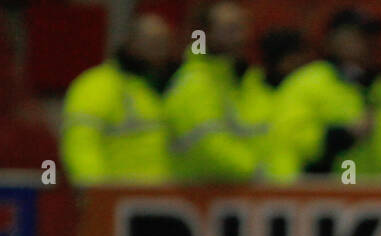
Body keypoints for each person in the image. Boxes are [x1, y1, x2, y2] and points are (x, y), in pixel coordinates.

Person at [272, 8, 381, 178]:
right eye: (357, 36)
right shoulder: (308, 82)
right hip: (326, 187)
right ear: (333, 40)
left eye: (370, 36)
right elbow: (290, 137)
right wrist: (342, 135)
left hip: (379, 188)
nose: (367, 43)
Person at [61, 13, 176, 184]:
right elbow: (81, 146)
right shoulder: (97, 86)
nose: (160, 51)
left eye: (164, 43)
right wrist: (98, 190)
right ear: (130, 42)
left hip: (164, 193)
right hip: (119, 194)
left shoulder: (164, 88)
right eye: (153, 43)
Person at [164, 1, 271, 182]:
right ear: (205, 34)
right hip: (205, 193)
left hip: (248, 193)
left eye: (242, 27)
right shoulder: (194, 84)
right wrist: (261, 173)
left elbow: (272, 138)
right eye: (229, 29)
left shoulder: (246, 82)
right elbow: (209, 149)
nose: (240, 37)